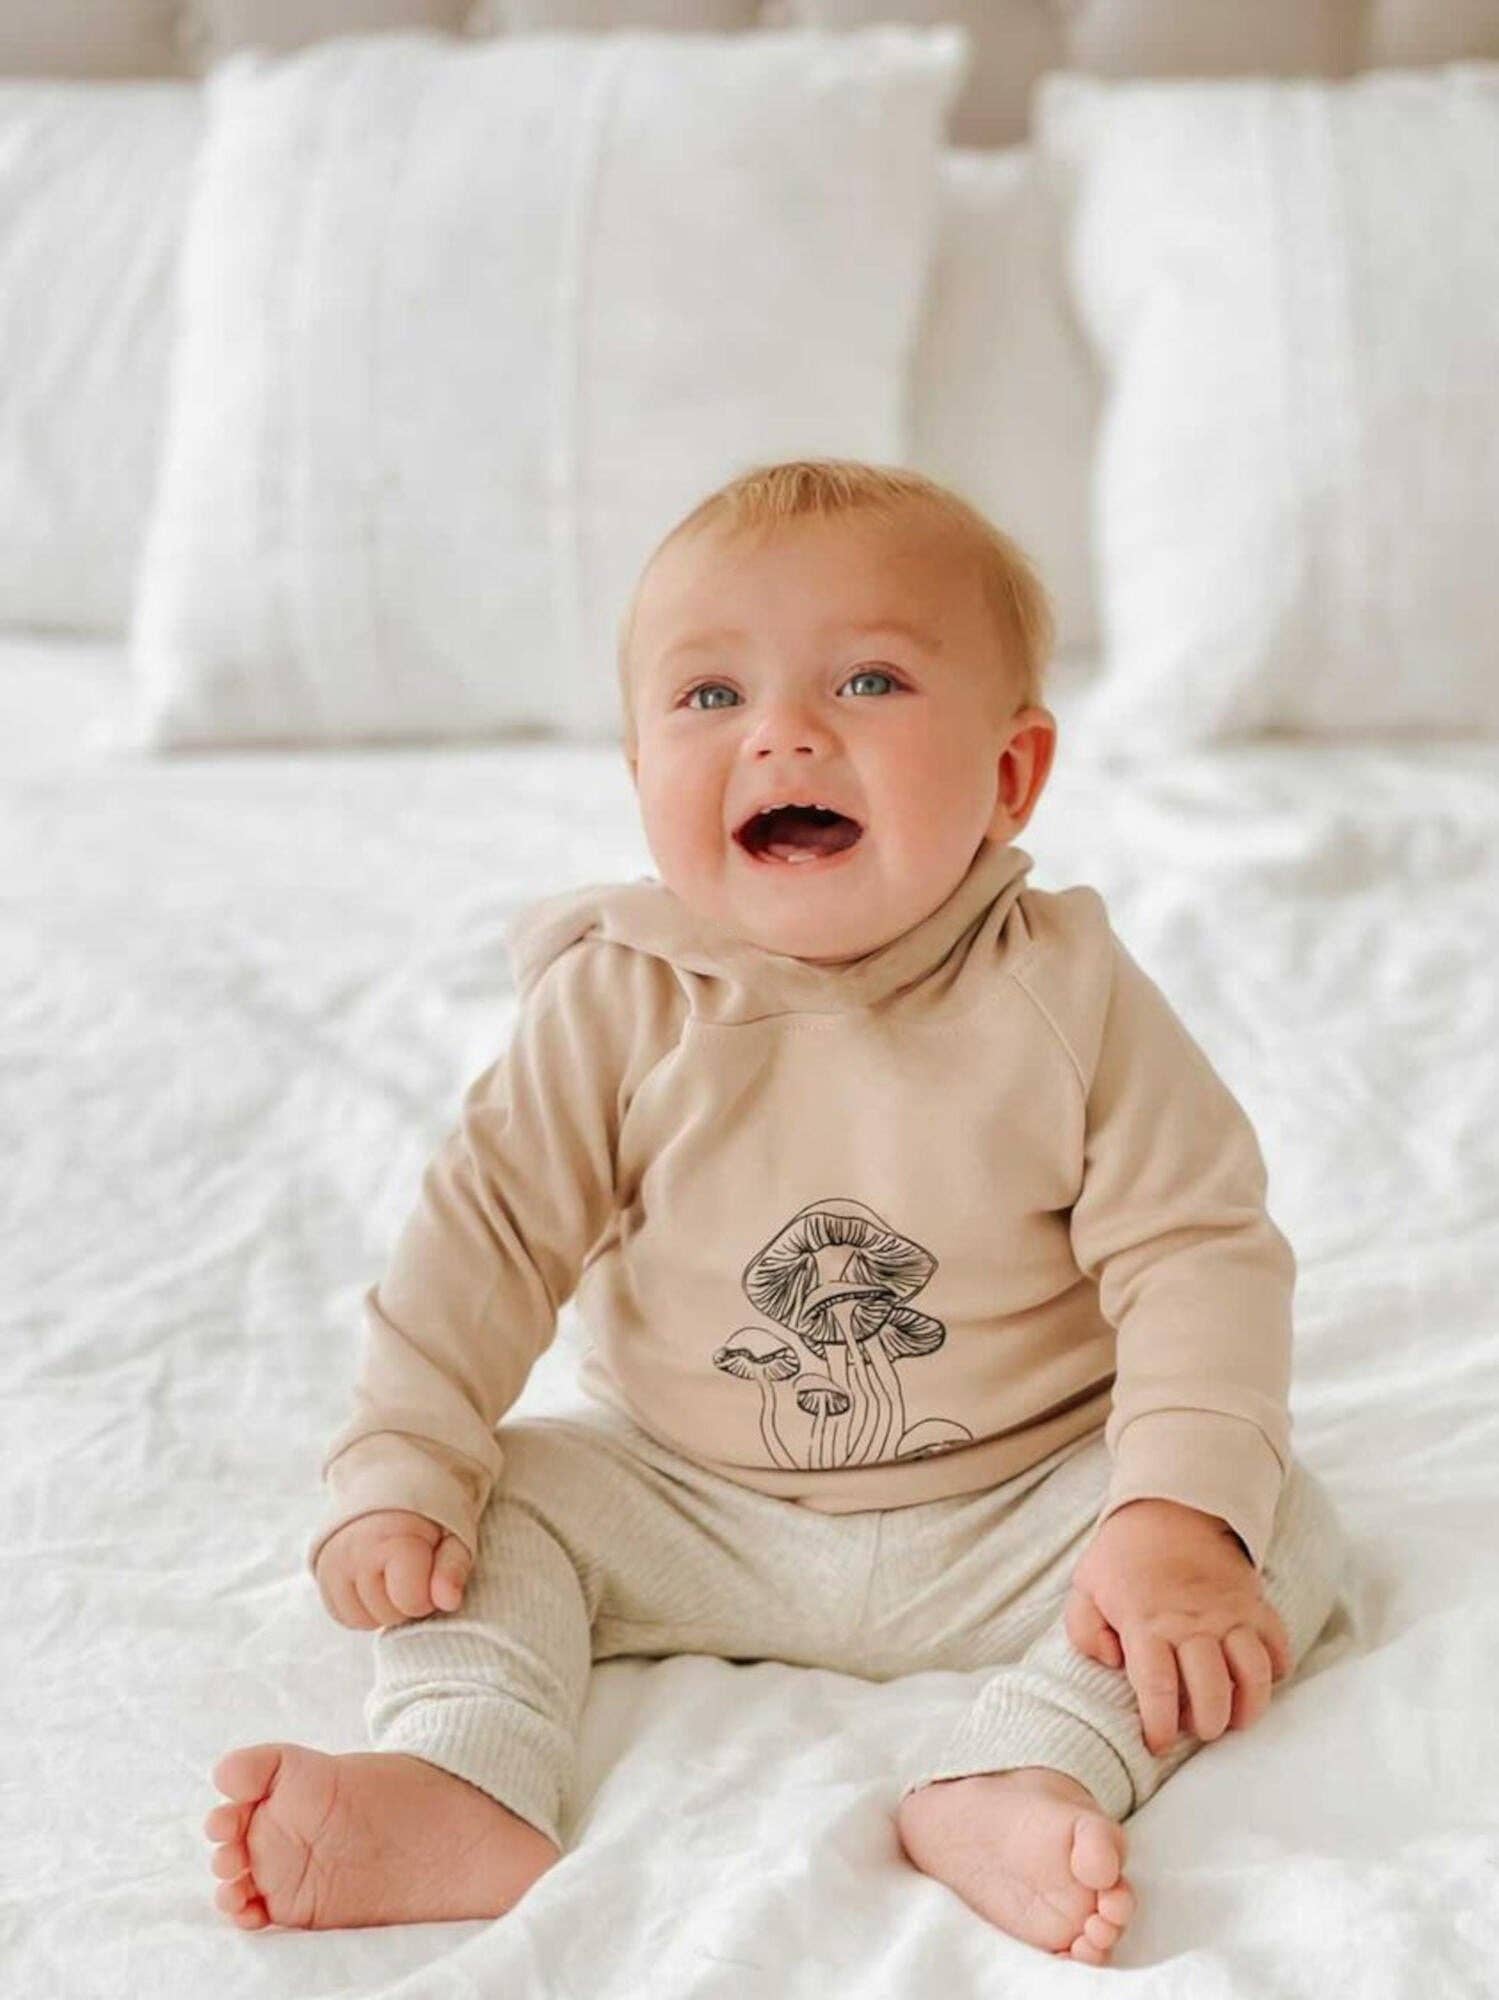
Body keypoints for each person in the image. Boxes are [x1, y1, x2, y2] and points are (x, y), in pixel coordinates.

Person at [203, 460, 1347, 1966]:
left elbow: (1196, 1251)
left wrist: (1170, 1518)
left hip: (1018, 1506)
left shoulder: (1066, 994)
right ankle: (464, 1767)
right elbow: (485, 1236)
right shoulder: (616, 1000)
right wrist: (404, 1462)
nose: (783, 733)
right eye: (710, 696)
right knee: (494, 1499)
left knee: (1273, 1529)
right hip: (689, 1502)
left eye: (869, 680)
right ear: (637, 771)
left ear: (1012, 775)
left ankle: (1027, 1767)